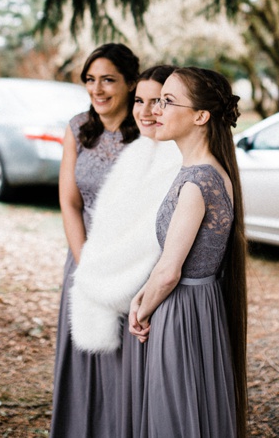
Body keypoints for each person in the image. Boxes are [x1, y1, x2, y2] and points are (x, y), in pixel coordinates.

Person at [128, 67, 249, 438]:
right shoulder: (209, 172)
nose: (156, 110)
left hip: (182, 312)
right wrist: (142, 294)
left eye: (167, 101)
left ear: (200, 116)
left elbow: (169, 271)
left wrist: (141, 308)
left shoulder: (199, 181)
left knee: (175, 415)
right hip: (200, 308)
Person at [69, 65, 182, 436]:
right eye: (140, 101)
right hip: (115, 287)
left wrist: (110, 281)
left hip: (149, 298)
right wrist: (95, 269)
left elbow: (148, 241)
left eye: (159, 102)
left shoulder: (177, 161)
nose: (146, 111)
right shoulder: (136, 154)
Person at [50, 43, 140, 437]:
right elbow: (69, 202)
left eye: (108, 80)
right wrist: (85, 262)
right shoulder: (77, 128)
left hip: (130, 263)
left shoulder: (148, 135)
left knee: (126, 356)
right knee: (84, 350)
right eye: (90, 80)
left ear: (131, 82)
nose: (97, 89)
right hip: (83, 257)